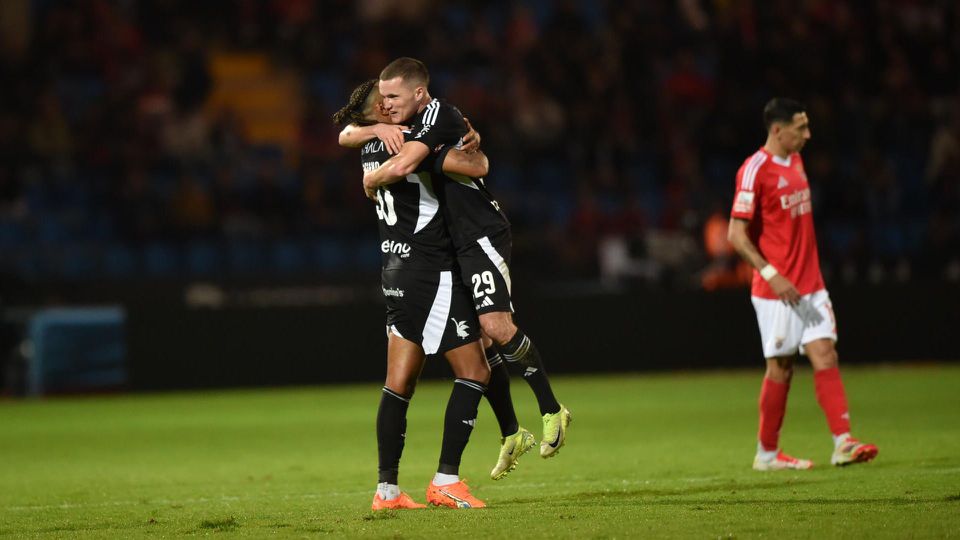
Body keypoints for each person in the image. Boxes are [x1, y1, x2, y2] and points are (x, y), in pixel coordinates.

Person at [359, 57, 571, 478]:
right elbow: (354, 133)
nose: (387, 105)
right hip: (452, 244)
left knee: (495, 327)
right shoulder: (407, 127)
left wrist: (371, 178)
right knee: (479, 345)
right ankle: (511, 431)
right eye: (381, 99)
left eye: (394, 97)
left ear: (419, 93)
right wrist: (372, 132)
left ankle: (552, 410)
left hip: (481, 234)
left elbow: (459, 165)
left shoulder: (440, 116)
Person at [333, 79, 492, 509]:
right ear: (380, 113)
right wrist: (470, 146)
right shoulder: (407, 141)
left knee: (398, 383)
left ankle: (386, 491)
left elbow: (346, 133)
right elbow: (476, 168)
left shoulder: (367, 143)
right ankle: (446, 480)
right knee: (476, 371)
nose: (391, 104)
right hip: (430, 269)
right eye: (385, 102)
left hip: (393, 270)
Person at [727, 98, 879, 471]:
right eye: (801, 128)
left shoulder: (795, 159)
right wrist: (770, 274)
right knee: (781, 369)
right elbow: (735, 233)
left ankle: (843, 442)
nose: (808, 135)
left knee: (825, 355)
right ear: (777, 130)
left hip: (811, 284)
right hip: (776, 291)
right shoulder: (754, 170)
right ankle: (766, 454)